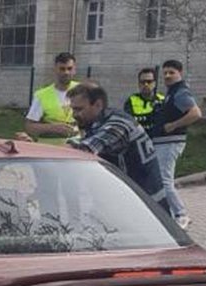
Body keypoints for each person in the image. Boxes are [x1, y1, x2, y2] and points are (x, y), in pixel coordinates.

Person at [65, 82, 168, 211]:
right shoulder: (98, 123)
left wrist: (38, 148)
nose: (74, 114)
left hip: (146, 207)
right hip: (131, 200)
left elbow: (84, 150)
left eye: (79, 109)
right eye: (73, 109)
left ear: (98, 105)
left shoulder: (118, 125)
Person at [150, 60, 202, 229]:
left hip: (170, 143)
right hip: (164, 142)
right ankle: (170, 215)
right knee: (162, 179)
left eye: (171, 72)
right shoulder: (172, 92)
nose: (167, 76)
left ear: (180, 73)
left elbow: (195, 113)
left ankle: (181, 214)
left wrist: (173, 125)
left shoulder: (180, 92)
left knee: (165, 180)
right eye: (165, 73)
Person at [16, 52, 79, 144]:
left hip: (76, 148)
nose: (66, 72)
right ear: (55, 70)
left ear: (75, 70)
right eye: (62, 69)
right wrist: (53, 128)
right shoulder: (41, 95)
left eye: (69, 69)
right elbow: (29, 127)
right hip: (50, 149)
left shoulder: (83, 90)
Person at [124, 68, 164, 132]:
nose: (146, 85)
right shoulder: (131, 100)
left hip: (158, 139)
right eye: (142, 82)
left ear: (155, 83)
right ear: (138, 84)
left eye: (149, 82)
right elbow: (129, 122)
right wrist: (149, 116)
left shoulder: (162, 100)